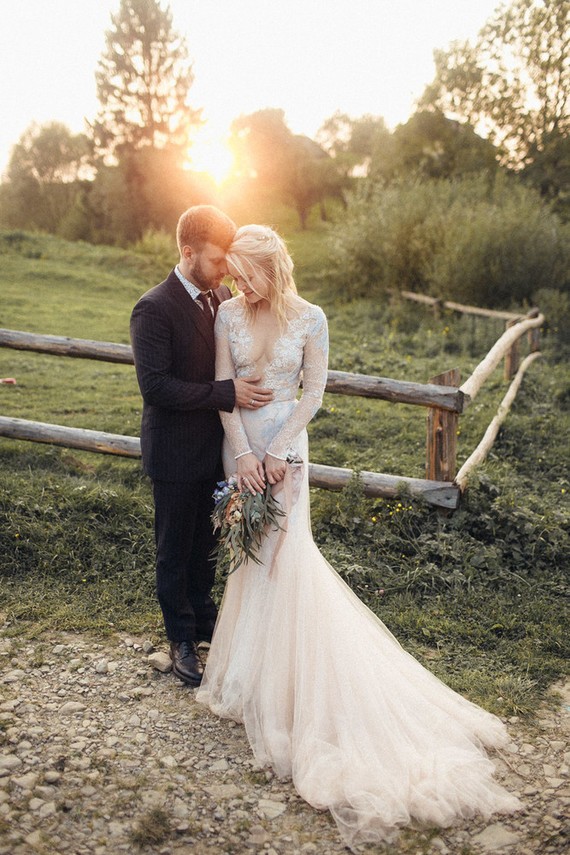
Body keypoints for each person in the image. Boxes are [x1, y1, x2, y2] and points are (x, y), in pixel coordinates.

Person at [196, 224, 521, 848]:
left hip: (288, 448)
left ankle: (297, 690)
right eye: (235, 273)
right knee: (250, 557)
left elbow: (312, 392)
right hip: (241, 448)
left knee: (287, 557)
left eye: (249, 272)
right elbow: (222, 395)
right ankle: (250, 680)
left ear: (273, 266)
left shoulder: (311, 317)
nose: (240, 283)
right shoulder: (228, 315)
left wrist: (282, 453)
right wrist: (242, 456)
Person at [130, 206, 273, 687]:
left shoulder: (221, 299)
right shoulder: (153, 307)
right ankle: (181, 640)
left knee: (206, 545)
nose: (224, 271)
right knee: (173, 548)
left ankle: (205, 618)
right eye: (216, 261)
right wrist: (225, 393)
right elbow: (156, 388)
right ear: (187, 253)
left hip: (215, 450)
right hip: (172, 453)